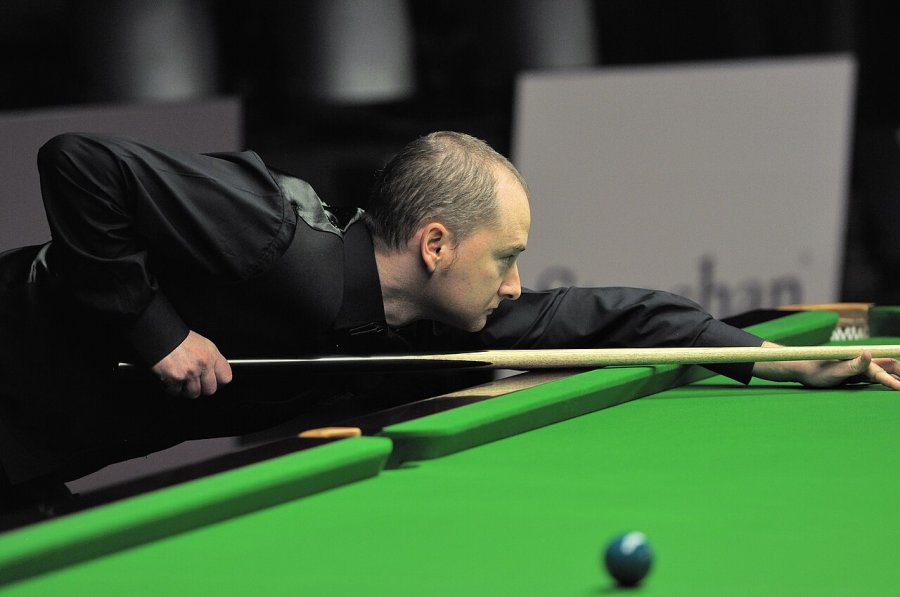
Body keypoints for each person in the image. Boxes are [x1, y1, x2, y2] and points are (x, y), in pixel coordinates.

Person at [0, 131, 897, 509]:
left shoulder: (435, 329)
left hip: (41, 457)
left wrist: (777, 357)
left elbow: (614, 316)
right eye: (505, 257)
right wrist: (154, 326)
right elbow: (80, 164)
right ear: (436, 244)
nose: (516, 284)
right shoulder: (277, 239)